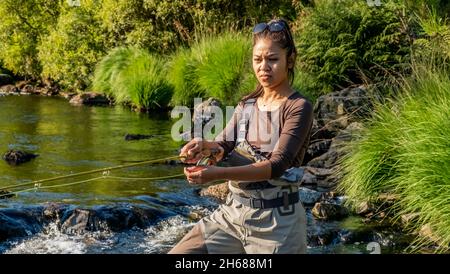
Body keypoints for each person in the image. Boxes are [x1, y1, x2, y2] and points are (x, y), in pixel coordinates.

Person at [168, 18, 314, 254]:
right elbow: (224, 144)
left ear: (290, 60)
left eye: (272, 59)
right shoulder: (247, 104)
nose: (263, 67)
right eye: (257, 60)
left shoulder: (298, 107)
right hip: (232, 215)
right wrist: (205, 147)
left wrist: (217, 174)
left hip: (278, 226)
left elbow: (276, 165)